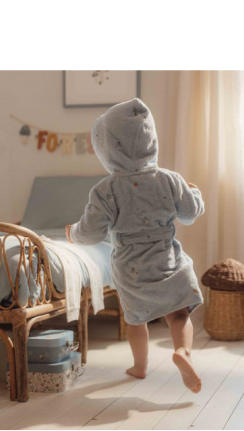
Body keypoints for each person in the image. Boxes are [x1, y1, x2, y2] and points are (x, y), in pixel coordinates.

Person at [66, 98, 204, 393]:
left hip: (130, 266)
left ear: (108, 148)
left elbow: (90, 233)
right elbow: (190, 214)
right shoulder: (170, 179)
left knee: (136, 319)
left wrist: (73, 234)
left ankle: (140, 367)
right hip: (166, 257)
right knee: (179, 314)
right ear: (151, 140)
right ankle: (183, 351)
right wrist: (195, 193)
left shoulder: (106, 190)